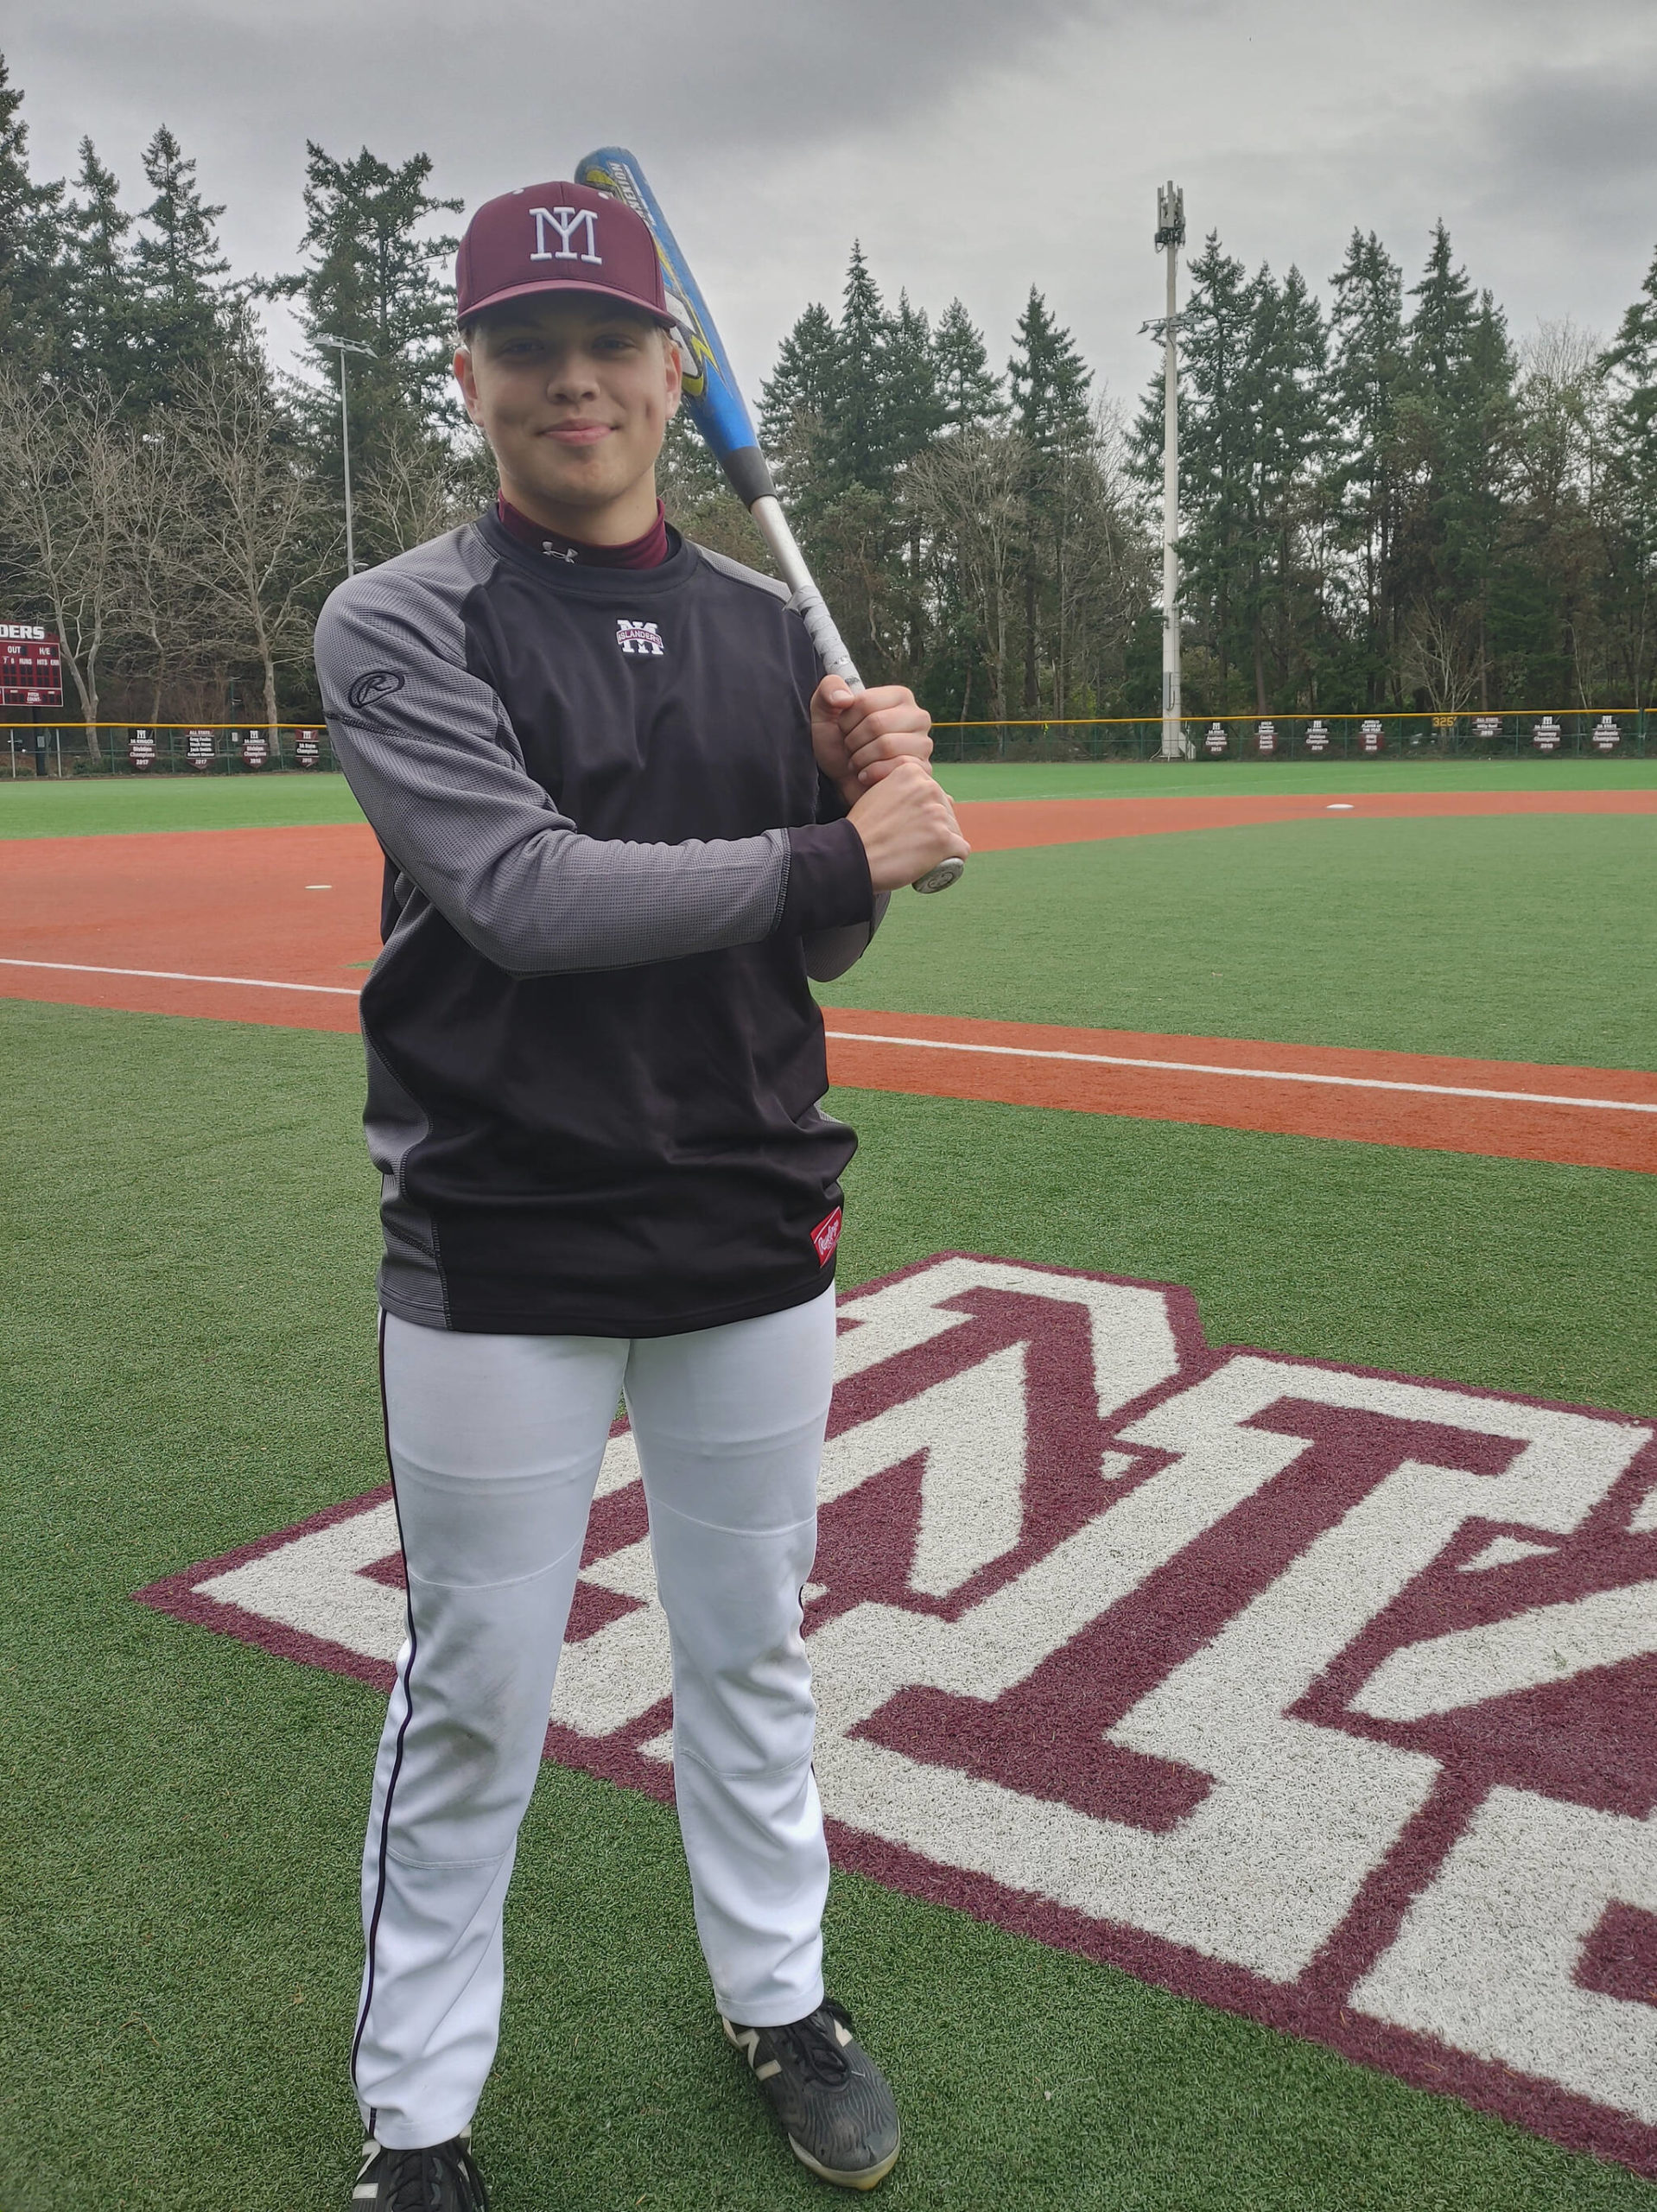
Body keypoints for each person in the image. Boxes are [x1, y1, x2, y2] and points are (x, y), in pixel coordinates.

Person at [314, 178, 968, 2212]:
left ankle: (780, 1995)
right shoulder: (399, 619)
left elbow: (815, 945)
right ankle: (415, 2119)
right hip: (501, 1234)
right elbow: (518, 896)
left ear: (674, 373)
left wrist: (854, 804)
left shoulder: (772, 632)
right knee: (476, 1689)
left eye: (607, 342)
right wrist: (844, 847)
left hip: (745, 1219)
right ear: (469, 378)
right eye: (526, 348)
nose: (571, 380)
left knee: (748, 1644)